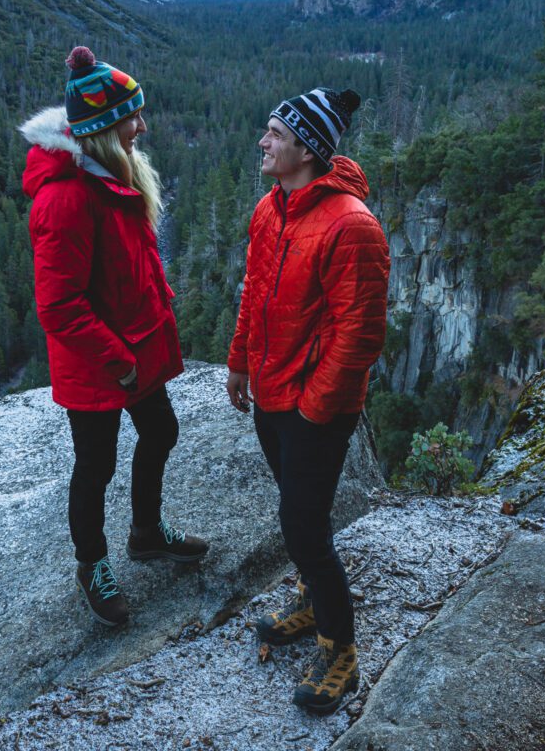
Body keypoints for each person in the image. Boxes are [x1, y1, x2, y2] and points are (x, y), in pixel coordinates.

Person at [21, 45, 207, 628]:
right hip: (98, 361)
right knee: (95, 465)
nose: (142, 127)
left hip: (134, 348)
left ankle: (146, 533)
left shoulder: (114, 173)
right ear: (103, 129)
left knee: (162, 429)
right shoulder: (66, 199)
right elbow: (58, 306)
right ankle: (92, 564)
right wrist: (118, 361)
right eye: (133, 117)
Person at [226, 86, 389, 714]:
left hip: (315, 406)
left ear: (307, 149)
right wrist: (241, 361)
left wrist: (315, 408)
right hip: (271, 392)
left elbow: (360, 336)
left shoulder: (351, 226)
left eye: (275, 134)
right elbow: (255, 291)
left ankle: (340, 648)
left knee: (304, 524)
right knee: (298, 513)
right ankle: (312, 599)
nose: (263, 142)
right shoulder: (273, 209)